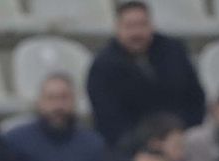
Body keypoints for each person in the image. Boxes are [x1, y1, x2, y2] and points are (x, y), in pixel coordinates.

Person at [86, 0, 204, 148]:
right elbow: (109, 120)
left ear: (151, 25)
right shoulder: (102, 67)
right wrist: (147, 144)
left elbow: (195, 98)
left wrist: (179, 134)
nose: (136, 33)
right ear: (117, 28)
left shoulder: (174, 52)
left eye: (142, 25)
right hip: (130, 149)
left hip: (181, 140)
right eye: (130, 26)